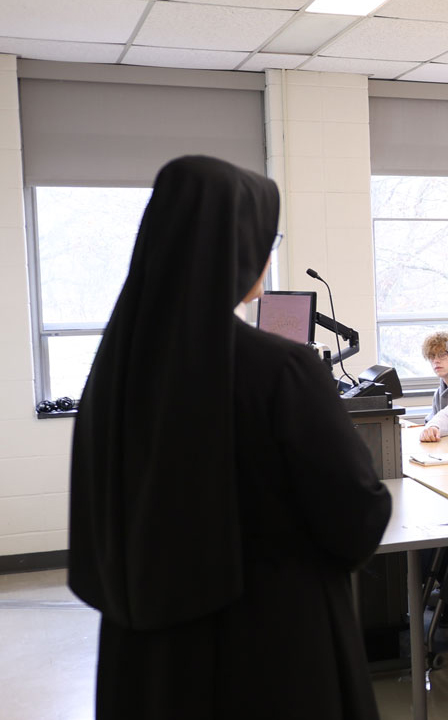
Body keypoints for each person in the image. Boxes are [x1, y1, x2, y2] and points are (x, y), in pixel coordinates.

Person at [69, 156, 391, 719]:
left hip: (142, 656)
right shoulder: (280, 368)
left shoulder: (112, 369)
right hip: (265, 649)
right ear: (238, 248)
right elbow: (356, 514)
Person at [421, 331, 448, 421]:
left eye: (442, 354)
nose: (436, 360)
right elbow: (431, 421)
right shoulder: (439, 392)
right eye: (432, 356)